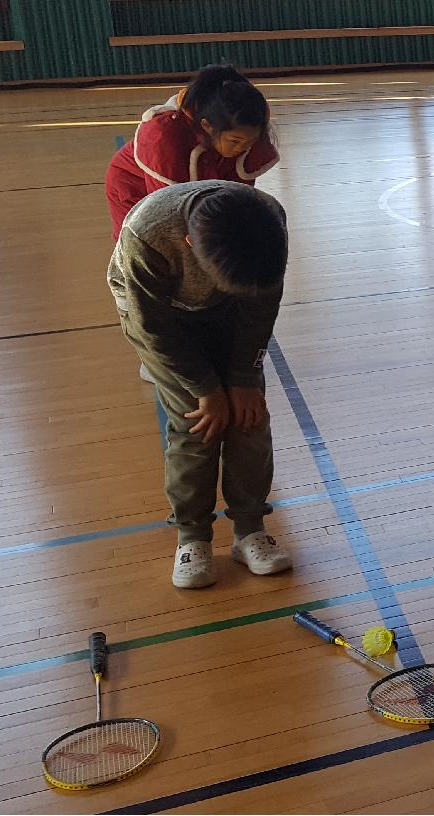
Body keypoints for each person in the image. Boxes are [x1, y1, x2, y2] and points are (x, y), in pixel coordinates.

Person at [109, 181, 290, 589]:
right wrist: (207, 388)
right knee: (198, 422)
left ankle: (249, 531)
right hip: (162, 320)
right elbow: (153, 329)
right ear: (190, 243)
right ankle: (193, 536)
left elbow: (262, 303)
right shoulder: (149, 233)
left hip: (228, 312)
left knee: (249, 416)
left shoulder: (267, 219)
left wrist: (244, 378)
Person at [106, 65, 278, 239]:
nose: (242, 148)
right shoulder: (164, 135)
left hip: (190, 187)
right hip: (136, 186)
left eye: (250, 142)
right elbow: (164, 210)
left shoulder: (248, 131)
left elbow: (237, 196)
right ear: (207, 126)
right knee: (149, 245)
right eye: (235, 141)